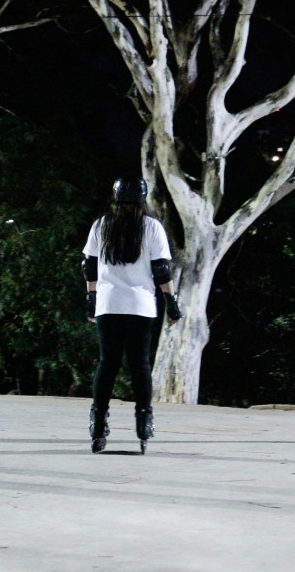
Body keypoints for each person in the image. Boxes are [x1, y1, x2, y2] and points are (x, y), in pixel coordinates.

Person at [82, 177, 181, 454]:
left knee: (107, 364)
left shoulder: (101, 225)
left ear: (115, 197)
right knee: (140, 365)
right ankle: (144, 423)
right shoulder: (152, 227)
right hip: (141, 306)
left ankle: (98, 424)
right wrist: (171, 303)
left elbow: (89, 266)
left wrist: (92, 299)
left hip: (109, 304)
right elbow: (161, 269)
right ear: (142, 199)